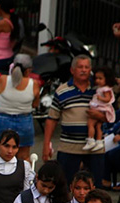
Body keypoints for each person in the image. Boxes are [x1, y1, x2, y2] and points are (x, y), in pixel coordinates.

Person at [43, 55, 102, 187]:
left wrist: (99, 115)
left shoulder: (99, 90)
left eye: (87, 67)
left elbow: (110, 116)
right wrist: (46, 144)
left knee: (94, 187)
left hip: (94, 148)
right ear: (72, 70)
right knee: (64, 185)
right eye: (80, 67)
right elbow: (52, 119)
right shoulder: (62, 91)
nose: (83, 70)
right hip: (69, 147)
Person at [0, 54, 39, 161]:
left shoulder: (3, 80)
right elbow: (35, 104)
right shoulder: (33, 84)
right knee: (24, 157)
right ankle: (25, 177)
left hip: (2, 121)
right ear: (28, 70)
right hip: (24, 122)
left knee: (1, 157)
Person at [83, 67, 116, 152]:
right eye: (96, 78)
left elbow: (108, 99)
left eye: (100, 78)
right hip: (100, 108)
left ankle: (91, 139)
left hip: (100, 108)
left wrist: (100, 98)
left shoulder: (105, 89)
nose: (97, 80)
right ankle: (99, 141)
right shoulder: (101, 88)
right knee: (98, 126)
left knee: (90, 123)